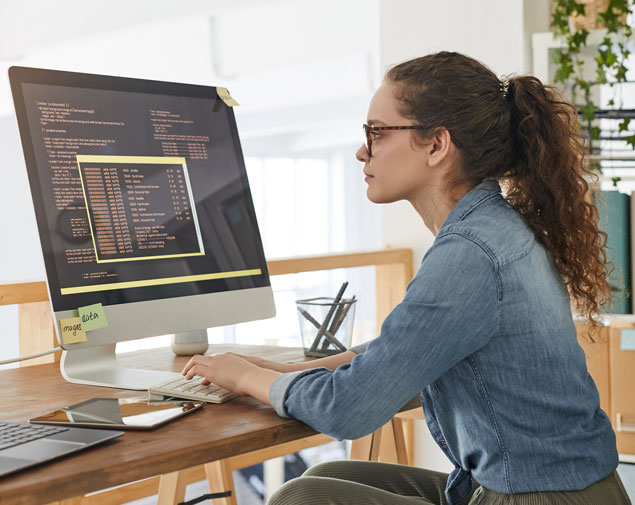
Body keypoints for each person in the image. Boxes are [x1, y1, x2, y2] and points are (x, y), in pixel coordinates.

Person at [181, 51, 632, 505]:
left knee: (303, 500)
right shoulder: (488, 228)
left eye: (376, 133)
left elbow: (350, 408)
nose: (362, 150)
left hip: (542, 498)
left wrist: (243, 378)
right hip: (549, 488)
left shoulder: (470, 254)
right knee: (325, 477)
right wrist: (290, 371)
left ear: (436, 145)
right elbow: (405, 353)